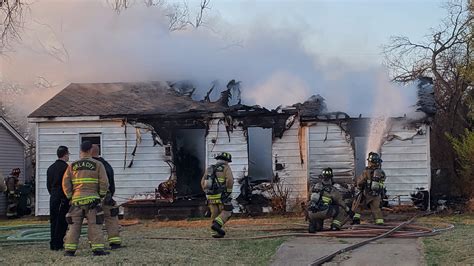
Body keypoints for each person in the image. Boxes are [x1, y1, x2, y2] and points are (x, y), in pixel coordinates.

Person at [62, 141, 109, 256]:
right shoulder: (98, 164)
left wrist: (70, 196)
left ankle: (69, 250)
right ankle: (97, 249)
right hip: (93, 201)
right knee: (95, 225)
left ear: (81, 150)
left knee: (74, 225)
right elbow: (104, 182)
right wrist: (101, 195)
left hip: (76, 201)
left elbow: (65, 182)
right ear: (90, 151)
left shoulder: (72, 165)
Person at [91, 144, 122, 249]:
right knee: (111, 218)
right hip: (107, 196)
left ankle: (95, 243)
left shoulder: (90, 165)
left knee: (94, 220)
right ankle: (115, 242)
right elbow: (111, 182)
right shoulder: (106, 164)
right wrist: (109, 194)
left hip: (93, 197)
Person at [307, 168, 354, 232]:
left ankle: (313, 225)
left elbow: (309, 199)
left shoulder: (315, 186)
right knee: (341, 209)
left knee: (318, 227)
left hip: (311, 213)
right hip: (324, 211)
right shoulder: (332, 189)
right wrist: (349, 211)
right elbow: (341, 202)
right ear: (331, 178)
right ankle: (335, 226)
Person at [201, 152, 234, 238]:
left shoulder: (209, 169)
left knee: (215, 213)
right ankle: (216, 225)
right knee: (227, 211)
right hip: (221, 196)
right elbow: (230, 180)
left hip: (211, 197)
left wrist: (207, 193)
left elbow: (202, 182)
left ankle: (214, 233)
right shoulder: (226, 168)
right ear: (226, 160)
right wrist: (228, 192)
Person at [353, 152, 387, 225]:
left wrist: (359, 187)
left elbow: (360, 182)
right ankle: (379, 222)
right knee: (376, 209)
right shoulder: (381, 172)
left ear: (370, 162)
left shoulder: (366, 172)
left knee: (359, 205)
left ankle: (356, 221)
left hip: (366, 193)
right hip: (377, 194)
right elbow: (383, 180)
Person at [47, 146, 70, 250]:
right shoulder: (67, 168)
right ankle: (58, 243)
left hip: (53, 196)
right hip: (63, 197)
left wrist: (53, 194)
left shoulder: (50, 168)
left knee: (53, 220)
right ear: (65, 154)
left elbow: (48, 185)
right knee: (61, 221)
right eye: (68, 154)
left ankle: (53, 242)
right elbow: (68, 183)